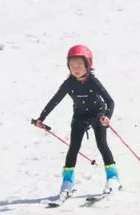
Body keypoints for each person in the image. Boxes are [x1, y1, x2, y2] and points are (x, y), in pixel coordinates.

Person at [32, 45, 120, 200]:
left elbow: (110, 101)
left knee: (102, 144)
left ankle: (113, 178)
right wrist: (41, 119)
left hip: (97, 114)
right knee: (73, 148)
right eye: (72, 65)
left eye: (80, 64)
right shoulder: (69, 83)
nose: (76, 69)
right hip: (79, 116)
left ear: (88, 64)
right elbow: (55, 100)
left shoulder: (93, 81)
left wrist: (107, 116)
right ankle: (67, 182)